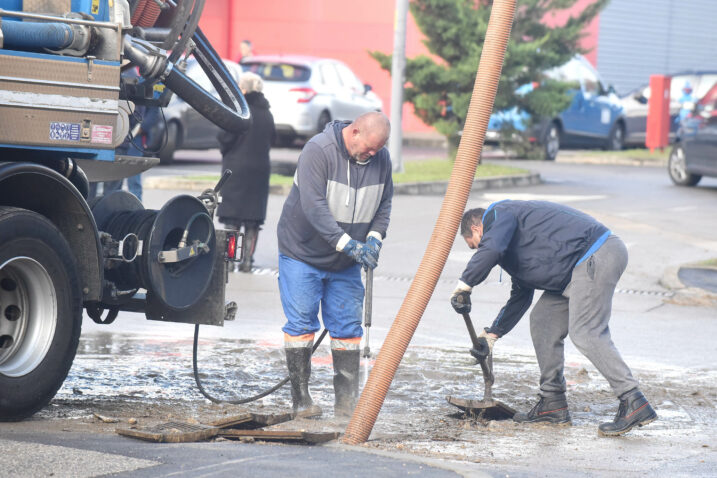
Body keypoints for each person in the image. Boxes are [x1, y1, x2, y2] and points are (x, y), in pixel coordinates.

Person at [450, 201, 657, 437]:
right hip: (572, 272)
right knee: (543, 321)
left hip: (596, 253)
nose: (479, 252)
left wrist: (464, 286)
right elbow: (521, 295)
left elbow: (492, 248)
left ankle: (633, 400)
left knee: (586, 331)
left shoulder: (498, 214)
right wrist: (491, 336)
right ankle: (553, 403)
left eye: (475, 246)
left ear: (477, 229)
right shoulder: (510, 248)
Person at [277, 112, 392, 418]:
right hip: (302, 252)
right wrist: (349, 245)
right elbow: (314, 208)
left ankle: (346, 405)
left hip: (346, 262)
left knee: (348, 329)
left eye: (377, 151)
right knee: (301, 326)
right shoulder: (318, 151)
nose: (371, 155)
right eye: (368, 148)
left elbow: (384, 205)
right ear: (354, 132)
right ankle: (301, 400)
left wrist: (374, 240)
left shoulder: (381, 160)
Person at [217, 71, 275, 272]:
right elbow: (271, 139)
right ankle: (248, 261)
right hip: (260, 172)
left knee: (233, 219)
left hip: (237, 170)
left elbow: (225, 137)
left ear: (244, 89)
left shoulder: (240, 111)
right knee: (253, 220)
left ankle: (231, 260)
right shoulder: (267, 112)